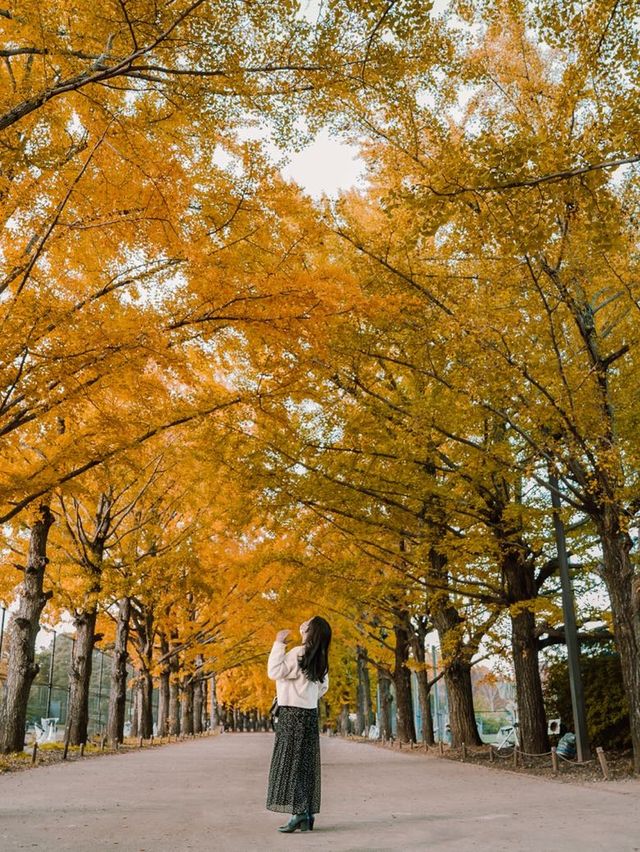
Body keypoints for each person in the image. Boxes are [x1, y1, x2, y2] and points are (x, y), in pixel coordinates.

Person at [266, 615, 331, 833]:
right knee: (305, 764)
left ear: (310, 631)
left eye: (307, 624)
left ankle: (298, 813)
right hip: (309, 715)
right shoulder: (321, 657)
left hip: (291, 715)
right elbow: (323, 688)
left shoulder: (297, 653)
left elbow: (274, 672)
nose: (302, 624)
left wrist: (278, 643)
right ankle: (307, 813)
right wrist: (307, 694)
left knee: (290, 764)